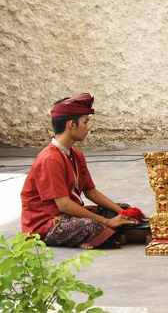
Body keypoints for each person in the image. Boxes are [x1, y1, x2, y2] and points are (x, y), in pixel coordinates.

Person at [20, 93, 148, 249]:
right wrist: (107, 221)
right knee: (93, 225)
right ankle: (109, 235)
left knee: (120, 209)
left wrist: (123, 212)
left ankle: (110, 236)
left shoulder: (76, 154)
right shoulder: (49, 158)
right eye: (85, 122)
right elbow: (64, 206)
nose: (88, 128)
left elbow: (91, 192)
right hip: (48, 224)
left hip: (71, 216)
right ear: (71, 124)